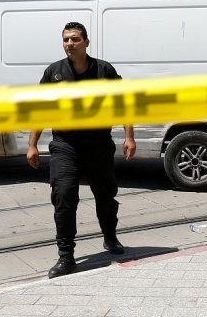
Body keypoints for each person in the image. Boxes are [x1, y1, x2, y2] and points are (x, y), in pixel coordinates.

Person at [27, 22, 137, 278]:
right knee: (63, 196)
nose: (70, 44)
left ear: (86, 42)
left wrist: (129, 137)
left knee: (106, 196)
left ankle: (110, 236)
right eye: (66, 39)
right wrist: (32, 144)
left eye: (75, 39)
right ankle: (66, 256)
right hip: (65, 145)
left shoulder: (104, 70)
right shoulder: (54, 73)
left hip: (98, 144)